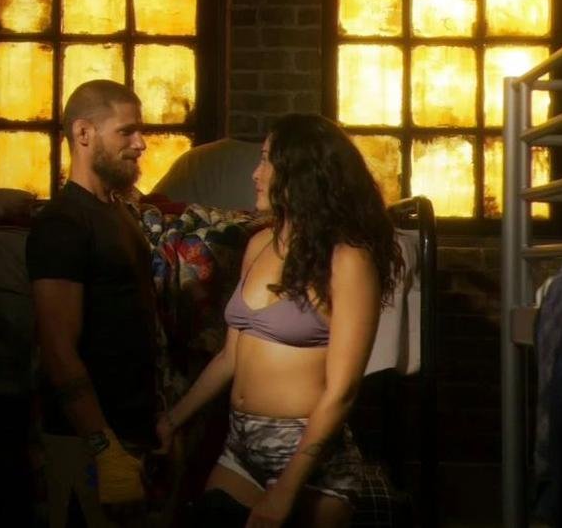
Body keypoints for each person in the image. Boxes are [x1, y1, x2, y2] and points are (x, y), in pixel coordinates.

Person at [156, 113, 404, 528]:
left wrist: (285, 492)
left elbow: (342, 392)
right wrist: (172, 420)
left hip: (307, 459)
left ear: (303, 174)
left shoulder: (347, 260)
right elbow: (229, 357)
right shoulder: (258, 245)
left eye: (268, 161)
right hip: (240, 448)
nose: (256, 174)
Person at [27, 80, 160, 528]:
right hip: (87, 441)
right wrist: (104, 449)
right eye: (126, 131)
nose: (140, 144)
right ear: (83, 133)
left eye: (140, 132)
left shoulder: (119, 213)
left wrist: (158, 421)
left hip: (132, 431)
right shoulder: (63, 223)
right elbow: (57, 349)